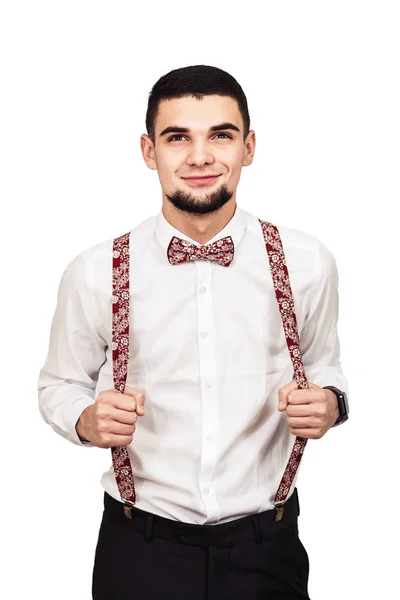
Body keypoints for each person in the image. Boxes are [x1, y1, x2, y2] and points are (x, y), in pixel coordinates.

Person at [37, 64, 349, 600]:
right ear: (148, 150)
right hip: (139, 546)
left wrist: (332, 403)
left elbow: (326, 367)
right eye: (177, 137)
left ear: (248, 147)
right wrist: (86, 419)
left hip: (266, 548)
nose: (200, 157)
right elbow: (58, 385)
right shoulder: (93, 271)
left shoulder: (307, 262)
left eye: (220, 135)